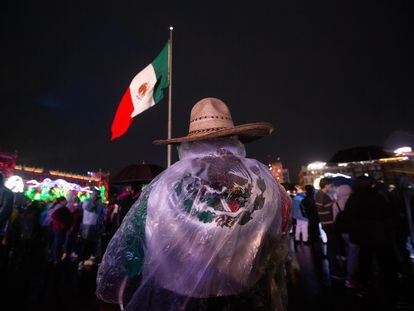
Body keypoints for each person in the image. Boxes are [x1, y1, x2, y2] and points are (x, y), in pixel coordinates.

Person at [97, 98, 292, 311]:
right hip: (245, 298)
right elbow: (279, 236)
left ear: (189, 144)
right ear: (234, 138)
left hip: (179, 300)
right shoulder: (267, 182)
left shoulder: (162, 185)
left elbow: (133, 248)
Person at [315, 177, 342, 279]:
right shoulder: (322, 195)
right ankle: (333, 269)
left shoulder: (320, 195)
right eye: (330, 184)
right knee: (332, 246)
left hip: (327, 223)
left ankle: (334, 266)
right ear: (326, 185)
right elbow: (323, 208)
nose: (331, 186)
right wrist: (334, 202)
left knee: (332, 245)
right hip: (328, 223)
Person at [78, 190, 104, 270]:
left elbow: (101, 215)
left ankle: (90, 260)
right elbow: (89, 208)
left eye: (98, 195)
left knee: (94, 244)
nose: (97, 196)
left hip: (96, 227)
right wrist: (94, 201)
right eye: (95, 194)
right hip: (88, 226)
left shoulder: (100, 203)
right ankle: (81, 262)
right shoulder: (86, 202)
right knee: (85, 245)